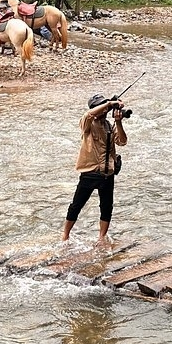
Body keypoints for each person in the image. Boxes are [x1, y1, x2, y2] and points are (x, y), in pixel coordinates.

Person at [61, 94, 128, 245]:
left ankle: (101, 237)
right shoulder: (88, 124)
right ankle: (65, 235)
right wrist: (109, 103)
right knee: (76, 205)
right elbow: (88, 114)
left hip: (107, 174)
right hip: (90, 173)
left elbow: (122, 141)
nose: (105, 110)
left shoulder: (109, 126)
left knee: (106, 207)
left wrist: (118, 122)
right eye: (102, 107)